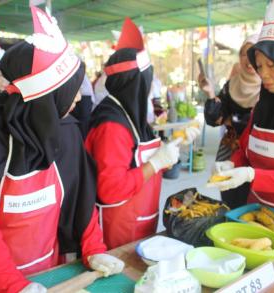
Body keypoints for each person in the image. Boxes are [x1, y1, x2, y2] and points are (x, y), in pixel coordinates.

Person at [0, 7, 124, 293]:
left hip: (49, 267)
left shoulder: (64, 129)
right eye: (72, 89)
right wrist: (12, 284)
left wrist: (94, 248)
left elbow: (81, 195)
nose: (79, 98)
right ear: (47, 93)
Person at [85, 18, 199, 249]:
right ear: (136, 85)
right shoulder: (112, 127)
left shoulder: (131, 114)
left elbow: (140, 157)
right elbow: (110, 190)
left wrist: (175, 145)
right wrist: (155, 165)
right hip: (117, 229)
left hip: (141, 219)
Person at [208, 0, 274, 215]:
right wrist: (233, 164)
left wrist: (253, 176)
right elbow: (245, 149)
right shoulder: (262, 106)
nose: (264, 74)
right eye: (259, 66)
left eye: (272, 65)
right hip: (256, 210)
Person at [199, 34, 262, 208]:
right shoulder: (231, 85)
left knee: (253, 205)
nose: (248, 61)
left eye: (254, 54)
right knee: (230, 200)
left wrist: (232, 120)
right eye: (244, 54)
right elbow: (215, 119)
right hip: (230, 154)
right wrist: (211, 93)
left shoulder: (270, 86)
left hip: (258, 156)